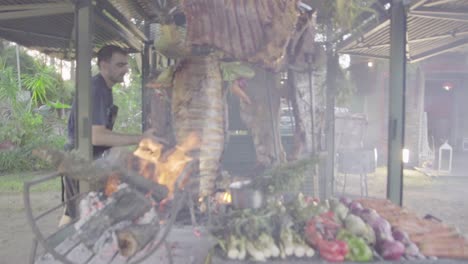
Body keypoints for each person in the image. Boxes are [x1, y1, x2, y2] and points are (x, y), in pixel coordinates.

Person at [60, 45, 166, 226]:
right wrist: (141, 138)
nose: (125, 69)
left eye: (126, 65)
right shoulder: (96, 90)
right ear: (103, 65)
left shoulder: (104, 89)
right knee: (77, 215)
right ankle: (57, 249)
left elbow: (103, 134)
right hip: (81, 158)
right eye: (120, 65)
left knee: (75, 212)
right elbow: (96, 137)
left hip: (91, 157)